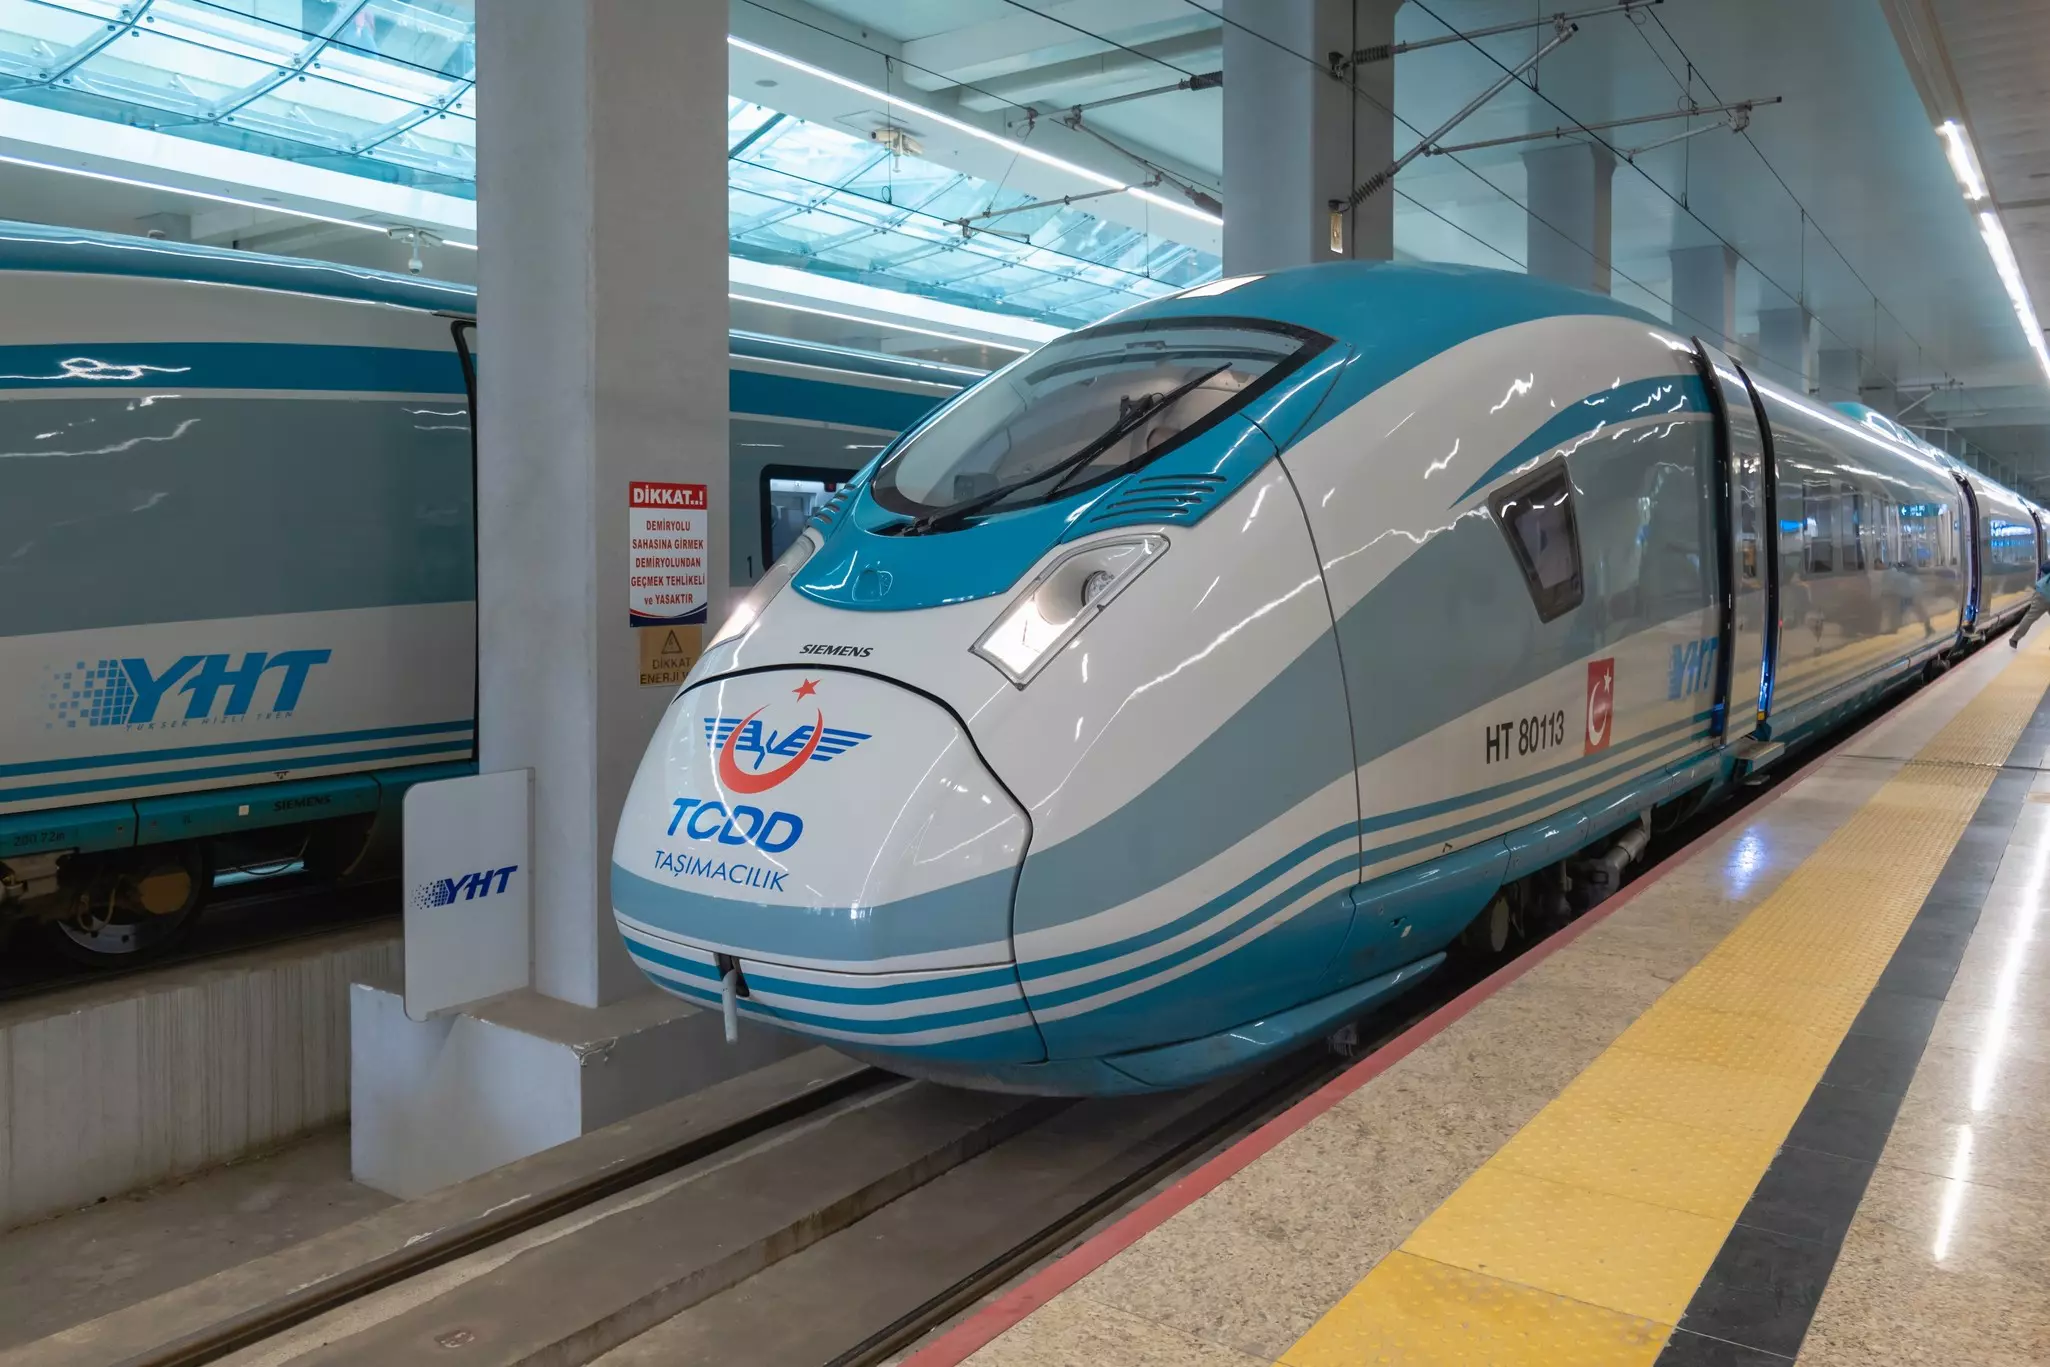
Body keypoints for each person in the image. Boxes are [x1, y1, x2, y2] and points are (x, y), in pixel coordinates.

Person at [2012, 562, 2050, 647]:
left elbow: (2043, 567)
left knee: (2030, 617)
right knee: (2030, 617)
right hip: (2044, 592)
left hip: (2042, 592)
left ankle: (2014, 639)